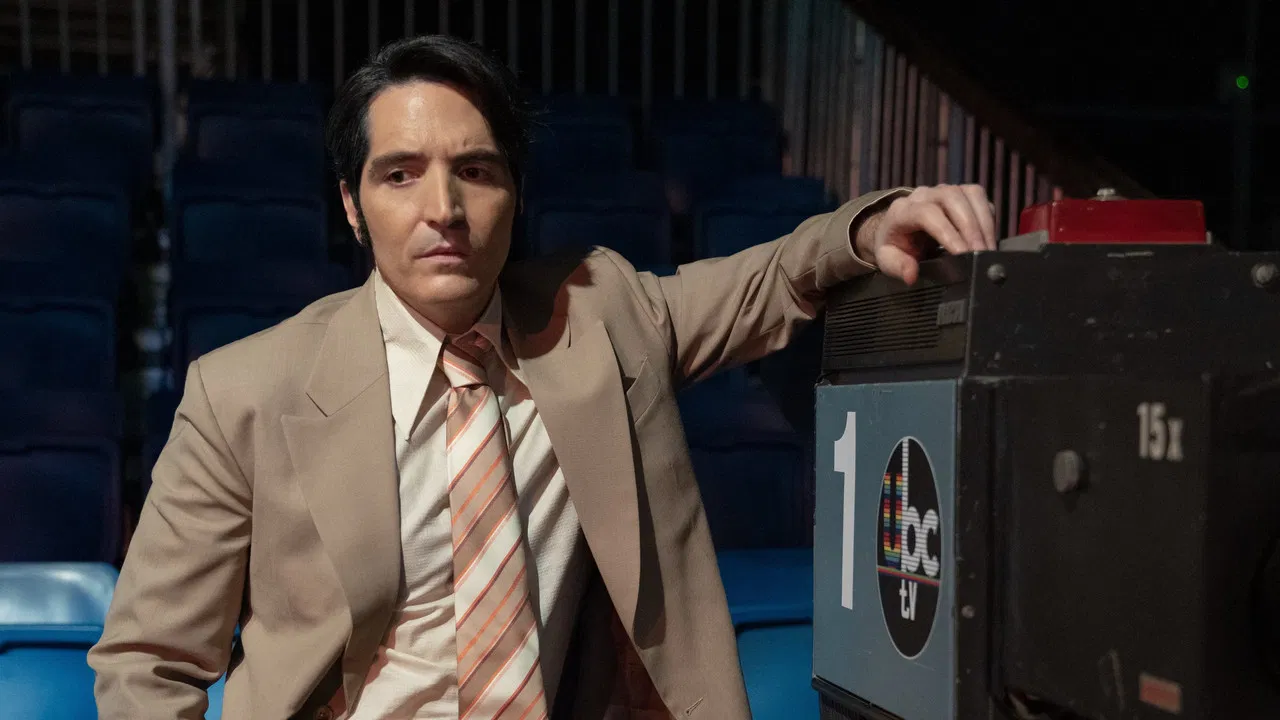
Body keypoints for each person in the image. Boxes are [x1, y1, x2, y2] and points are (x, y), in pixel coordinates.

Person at [89, 35, 996, 720]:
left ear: (515, 193)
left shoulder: (601, 314)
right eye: (400, 175)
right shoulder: (244, 392)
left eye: (474, 171)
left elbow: (771, 279)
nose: (443, 209)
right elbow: (147, 660)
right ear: (351, 207)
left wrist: (871, 225)